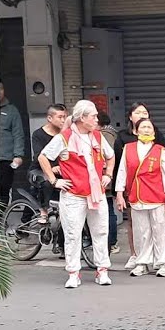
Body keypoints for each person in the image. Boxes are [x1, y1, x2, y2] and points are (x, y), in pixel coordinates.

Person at [38, 99, 114, 289]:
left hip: (96, 193)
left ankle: (102, 270)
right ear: (82, 118)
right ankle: (73, 273)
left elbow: (110, 156)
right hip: (73, 194)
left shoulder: (97, 136)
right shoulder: (64, 137)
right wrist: (54, 181)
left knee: (101, 231)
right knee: (72, 234)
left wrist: (108, 175)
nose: (97, 119)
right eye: (94, 116)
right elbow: (43, 157)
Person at [115, 118, 165, 277]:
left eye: (149, 127)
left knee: (161, 231)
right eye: (143, 127)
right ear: (136, 131)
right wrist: (120, 194)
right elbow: (122, 172)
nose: (146, 130)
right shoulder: (128, 149)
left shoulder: (160, 150)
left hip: (157, 196)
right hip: (136, 195)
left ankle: (164, 263)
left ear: (154, 132)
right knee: (141, 231)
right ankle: (142, 262)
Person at [98, 110, 121, 256]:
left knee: (107, 211)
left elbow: (106, 157)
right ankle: (111, 242)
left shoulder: (104, 136)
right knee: (109, 210)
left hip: (104, 178)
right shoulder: (113, 133)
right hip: (109, 177)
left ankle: (111, 242)